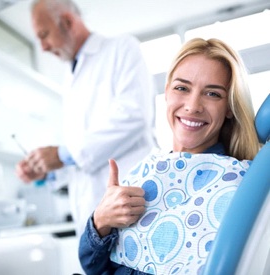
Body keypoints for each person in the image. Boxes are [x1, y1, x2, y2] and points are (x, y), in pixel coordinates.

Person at [78, 37, 260, 274]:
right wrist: (100, 222)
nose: (193, 106)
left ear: (228, 107)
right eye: (182, 88)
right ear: (166, 93)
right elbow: (93, 267)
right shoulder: (145, 173)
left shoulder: (238, 185)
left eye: (213, 94)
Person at [15, 0, 156, 236]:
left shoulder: (121, 48)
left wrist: (60, 155)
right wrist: (46, 168)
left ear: (68, 22)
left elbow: (134, 116)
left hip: (130, 207)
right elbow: (81, 153)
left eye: (44, 35)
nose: (43, 48)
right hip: (92, 218)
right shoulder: (70, 78)